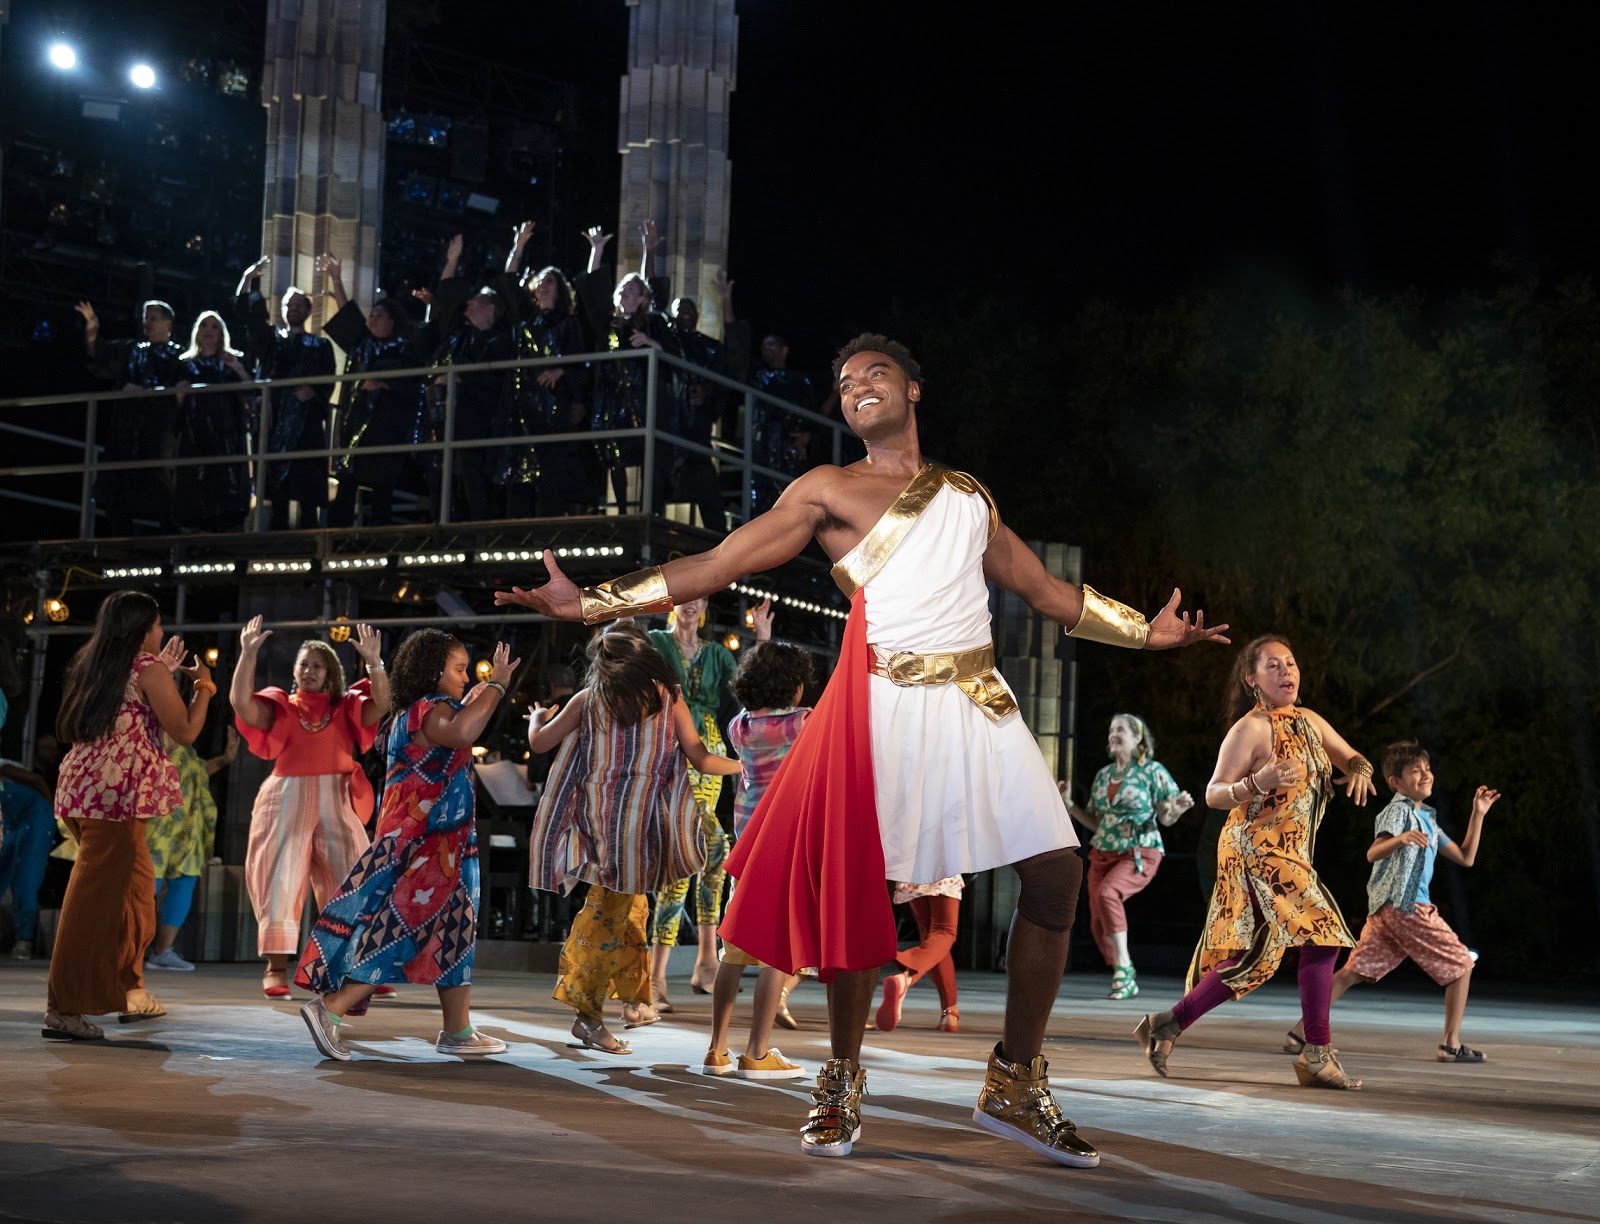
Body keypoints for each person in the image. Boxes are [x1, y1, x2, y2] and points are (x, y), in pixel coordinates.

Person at [494, 333, 1226, 1165]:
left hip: (979, 704)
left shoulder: (966, 496)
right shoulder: (827, 489)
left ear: (915, 388)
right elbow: (723, 561)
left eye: (875, 373)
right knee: (860, 891)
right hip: (884, 705)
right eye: (844, 383)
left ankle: (1016, 1082)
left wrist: (1146, 632)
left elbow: (1045, 591)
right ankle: (840, 1078)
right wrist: (594, 601)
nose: (857, 388)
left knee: (1058, 872)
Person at [1135, 636, 1373, 1091]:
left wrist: (1360, 769)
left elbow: (1353, 756)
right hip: (1256, 849)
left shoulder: (1309, 721)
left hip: (1291, 853)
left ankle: (1167, 1024)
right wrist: (1255, 782)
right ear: (1252, 680)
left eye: (1291, 662)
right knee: (1322, 934)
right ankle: (1316, 1053)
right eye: (1272, 665)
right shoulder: (1251, 729)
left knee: (1254, 959)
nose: (1286, 671)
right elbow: (1212, 793)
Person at [297, 634, 520, 1061]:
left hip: (448, 845)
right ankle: (330, 1009)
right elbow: (462, 732)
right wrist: (496, 687)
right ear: (434, 673)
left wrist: (478, 694)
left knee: (455, 933)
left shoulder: (413, 712)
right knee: (403, 930)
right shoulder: (430, 711)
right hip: (426, 847)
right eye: (458, 669)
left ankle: (458, 1029)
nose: (465, 676)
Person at [526, 622, 739, 1055]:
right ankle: (587, 1019)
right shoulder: (668, 698)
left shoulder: (588, 700)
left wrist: (535, 720)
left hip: (600, 827)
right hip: (642, 831)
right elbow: (699, 757)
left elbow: (541, 744)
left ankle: (635, 1002)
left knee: (629, 910)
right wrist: (745, 767)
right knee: (607, 919)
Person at [44, 591, 212, 1040]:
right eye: (157, 626)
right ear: (143, 630)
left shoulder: (97, 663)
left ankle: (131, 991)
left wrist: (163, 678)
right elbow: (186, 731)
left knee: (137, 896)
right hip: (115, 800)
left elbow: (135, 716)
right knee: (91, 907)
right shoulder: (147, 668)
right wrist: (204, 687)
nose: (162, 633)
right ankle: (62, 1009)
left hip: (86, 791)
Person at [1285, 741, 1499, 1062]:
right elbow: (1373, 852)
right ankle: (1450, 1045)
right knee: (1461, 965)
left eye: (1427, 769)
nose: (1426, 775)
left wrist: (1478, 814)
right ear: (1395, 782)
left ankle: (1299, 1033)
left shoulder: (1427, 817)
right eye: (1416, 771)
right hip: (1407, 906)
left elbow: (1466, 857)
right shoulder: (1398, 811)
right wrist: (1399, 839)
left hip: (1386, 913)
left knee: (1353, 971)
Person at [231, 615, 390, 1000]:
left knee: (354, 876)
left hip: (336, 796)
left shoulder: (347, 706)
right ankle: (275, 969)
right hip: (286, 798)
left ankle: (355, 969)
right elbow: (240, 703)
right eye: (303, 664)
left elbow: (382, 703)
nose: (309, 671)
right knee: (279, 878)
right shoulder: (283, 706)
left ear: (330, 673)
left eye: (317, 665)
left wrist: (374, 662)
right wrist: (247, 654)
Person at [645, 595, 771, 1006]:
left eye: (700, 597)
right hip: (670, 750)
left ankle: (702, 962)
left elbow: (748, 691)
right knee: (694, 852)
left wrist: (761, 641)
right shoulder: (656, 644)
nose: (692, 604)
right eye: (685, 597)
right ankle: (656, 976)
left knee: (712, 855)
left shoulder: (717, 653)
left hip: (709, 748)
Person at [705, 635, 812, 1079]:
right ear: (794, 686)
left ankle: (716, 1050)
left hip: (746, 845)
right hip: (783, 845)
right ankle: (758, 1051)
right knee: (776, 953)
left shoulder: (739, 728)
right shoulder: (804, 723)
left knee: (734, 950)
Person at [1061, 714, 1194, 999]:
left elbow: (1165, 816)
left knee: (1109, 894)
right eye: (1110, 729)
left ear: (1137, 739)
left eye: (1120, 729)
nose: (1113, 734)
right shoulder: (1103, 775)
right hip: (1103, 852)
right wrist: (1070, 805)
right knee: (1098, 921)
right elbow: (1098, 822)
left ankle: (1124, 968)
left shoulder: (1151, 771)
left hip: (1139, 850)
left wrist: (1178, 808)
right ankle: (1122, 971)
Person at [318, 254, 429, 526]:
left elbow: (414, 384)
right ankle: (336, 540)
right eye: (372, 315)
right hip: (356, 428)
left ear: (393, 321)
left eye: (379, 315)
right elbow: (347, 314)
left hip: (387, 430)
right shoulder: (363, 345)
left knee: (382, 492)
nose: (373, 319)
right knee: (347, 485)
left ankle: (379, 543)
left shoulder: (405, 350)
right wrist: (335, 277)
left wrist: (383, 384)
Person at [575, 225, 679, 513]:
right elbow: (592, 291)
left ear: (642, 298)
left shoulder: (654, 322)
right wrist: (596, 252)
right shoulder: (608, 323)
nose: (625, 292)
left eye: (632, 290)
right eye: (623, 289)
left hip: (646, 397)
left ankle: (650, 510)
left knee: (649, 454)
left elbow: (672, 355)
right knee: (616, 455)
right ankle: (619, 510)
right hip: (613, 396)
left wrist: (650, 342)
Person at [496, 220, 592, 517]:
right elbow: (509, 280)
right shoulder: (526, 318)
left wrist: (561, 371)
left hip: (557, 403)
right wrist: (519, 245)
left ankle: (546, 527)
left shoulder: (570, 322)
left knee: (552, 469)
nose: (544, 284)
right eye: (542, 280)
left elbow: (583, 361)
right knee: (520, 468)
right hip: (524, 400)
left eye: (551, 281)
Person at [236, 257, 338, 530]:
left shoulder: (321, 345)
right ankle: (276, 539)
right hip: (274, 419)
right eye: (288, 304)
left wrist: (314, 392)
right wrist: (249, 278)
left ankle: (309, 540)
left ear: (307, 310)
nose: (293, 309)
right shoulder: (271, 339)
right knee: (276, 489)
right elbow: (249, 315)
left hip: (306, 423)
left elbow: (328, 380)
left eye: (298, 305)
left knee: (307, 490)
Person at [75, 298, 182, 534]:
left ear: (167, 323)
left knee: (157, 474)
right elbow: (102, 356)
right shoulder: (133, 349)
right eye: (146, 317)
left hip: (158, 423)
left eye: (153, 318)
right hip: (126, 422)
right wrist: (93, 328)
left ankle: (169, 531)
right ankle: (120, 533)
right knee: (117, 477)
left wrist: (153, 393)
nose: (148, 323)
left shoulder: (179, 355)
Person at [142, 726, 238, 972]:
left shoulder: (184, 746)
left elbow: (195, 771)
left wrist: (224, 760)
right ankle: (123, 951)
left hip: (185, 827)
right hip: (156, 826)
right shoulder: (150, 731)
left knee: (184, 881)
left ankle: (162, 952)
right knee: (144, 886)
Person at [430, 286, 514, 521]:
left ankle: (480, 529)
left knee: (473, 476)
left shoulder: (500, 342)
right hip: (452, 418)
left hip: (479, 420)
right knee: (444, 474)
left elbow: (495, 380)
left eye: (476, 300)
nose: (469, 303)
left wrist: (460, 376)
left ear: (490, 308)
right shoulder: (460, 339)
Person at [175, 311, 252, 532]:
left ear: (221, 334)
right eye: (204, 326)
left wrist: (237, 367)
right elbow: (174, 407)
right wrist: (179, 397)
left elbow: (252, 391)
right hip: (194, 433)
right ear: (197, 333)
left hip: (226, 433)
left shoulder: (231, 363)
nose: (208, 331)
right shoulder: (184, 364)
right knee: (194, 484)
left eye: (214, 327)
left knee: (224, 484)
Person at [875, 875, 964, 1034]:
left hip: (912, 873)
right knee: (945, 932)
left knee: (932, 942)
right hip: (942, 867)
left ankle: (950, 1011)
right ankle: (906, 979)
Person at [1, 763, 56, 961]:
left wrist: (52, 813)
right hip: (7, 824)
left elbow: (37, 780)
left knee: (26, 878)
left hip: (35, 818)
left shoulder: (4, 767)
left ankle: (24, 941)